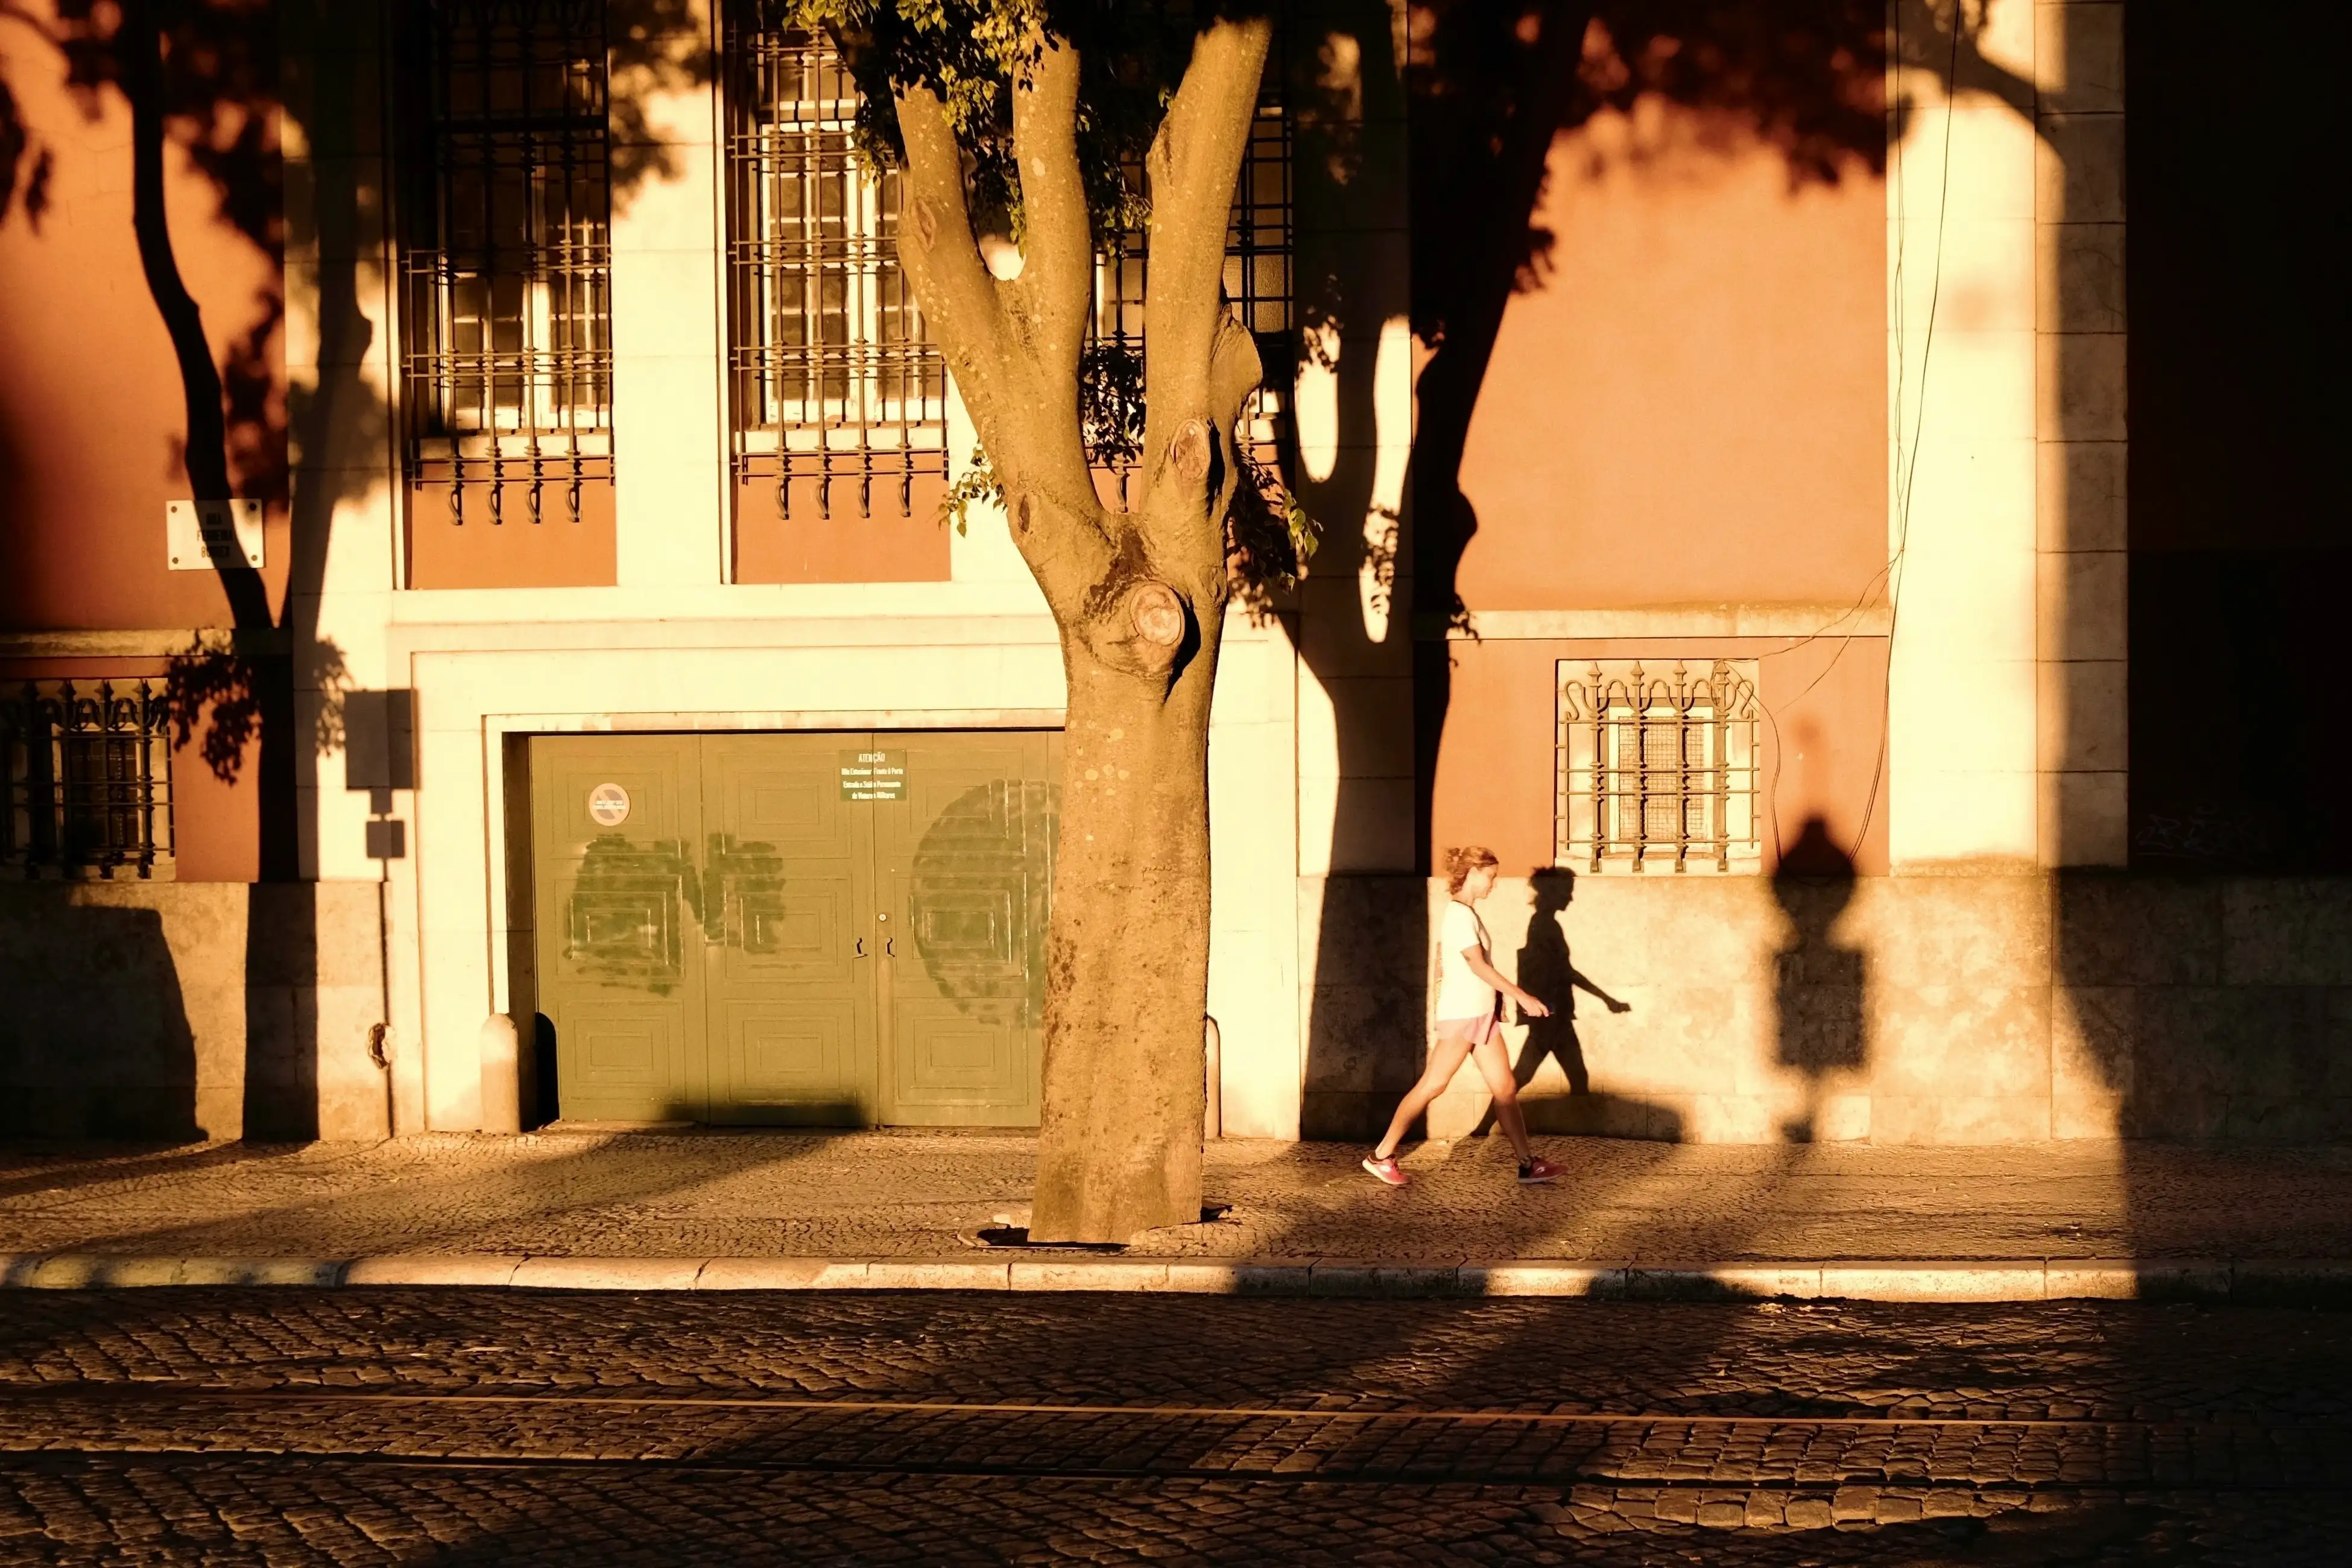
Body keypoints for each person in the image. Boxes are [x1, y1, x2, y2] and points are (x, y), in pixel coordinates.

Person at [1363, 846, 1565, 1187]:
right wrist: (1522, 996)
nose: (1493, 884)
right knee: (1434, 1084)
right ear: (1472, 873)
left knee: (1505, 1088)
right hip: (1463, 1015)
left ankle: (1527, 1164)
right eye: (1490, 877)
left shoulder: (1468, 914)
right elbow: (1477, 964)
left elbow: (1479, 968)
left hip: (1482, 1015)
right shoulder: (1458, 915)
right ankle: (1381, 1156)